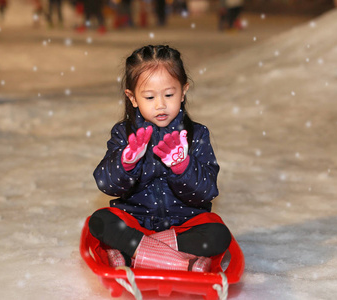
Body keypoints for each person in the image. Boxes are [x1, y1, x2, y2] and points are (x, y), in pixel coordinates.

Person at [89, 45, 232, 272]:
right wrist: (126, 163)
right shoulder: (124, 134)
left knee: (218, 234)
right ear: (132, 98)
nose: (160, 104)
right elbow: (106, 184)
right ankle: (183, 262)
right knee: (100, 221)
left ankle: (134, 254)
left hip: (184, 228)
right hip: (136, 224)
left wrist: (183, 167)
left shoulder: (197, 134)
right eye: (149, 96)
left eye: (169, 94)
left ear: (183, 92)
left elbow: (208, 191)